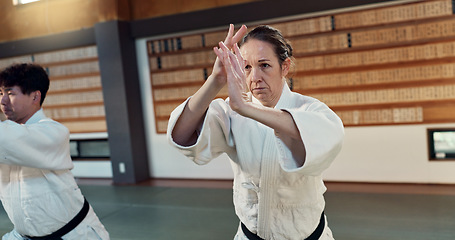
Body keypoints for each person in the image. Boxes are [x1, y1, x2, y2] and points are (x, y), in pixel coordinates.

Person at [167, 24, 344, 240]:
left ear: (285, 67)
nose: (255, 77)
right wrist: (216, 80)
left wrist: (247, 109)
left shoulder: (309, 109)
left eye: (265, 65)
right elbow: (181, 135)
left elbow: (327, 135)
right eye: (247, 67)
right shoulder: (232, 111)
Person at [0, 63, 110, 240]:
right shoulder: (10, 134)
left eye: (10, 93)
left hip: (74, 235)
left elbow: (8, 139)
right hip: (23, 235)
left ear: (35, 96)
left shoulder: (53, 132)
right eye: (0, 93)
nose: (3, 100)